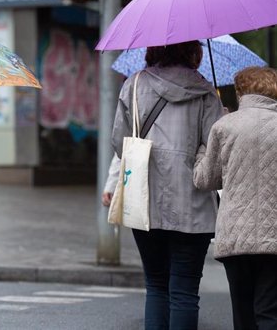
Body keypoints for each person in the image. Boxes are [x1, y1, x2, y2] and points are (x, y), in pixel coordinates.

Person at [104, 41, 223, 330]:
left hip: (144, 202)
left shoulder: (134, 85)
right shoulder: (205, 91)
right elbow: (216, 151)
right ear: (194, 53)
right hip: (192, 205)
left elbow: (119, 142)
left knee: (156, 285)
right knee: (184, 291)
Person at [194, 66, 277, 330]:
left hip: (235, 236)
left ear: (241, 92)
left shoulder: (224, 126)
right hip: (273, 237)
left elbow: (205, 180)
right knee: (269, 312)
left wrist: (201, 153)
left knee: (242, 315)